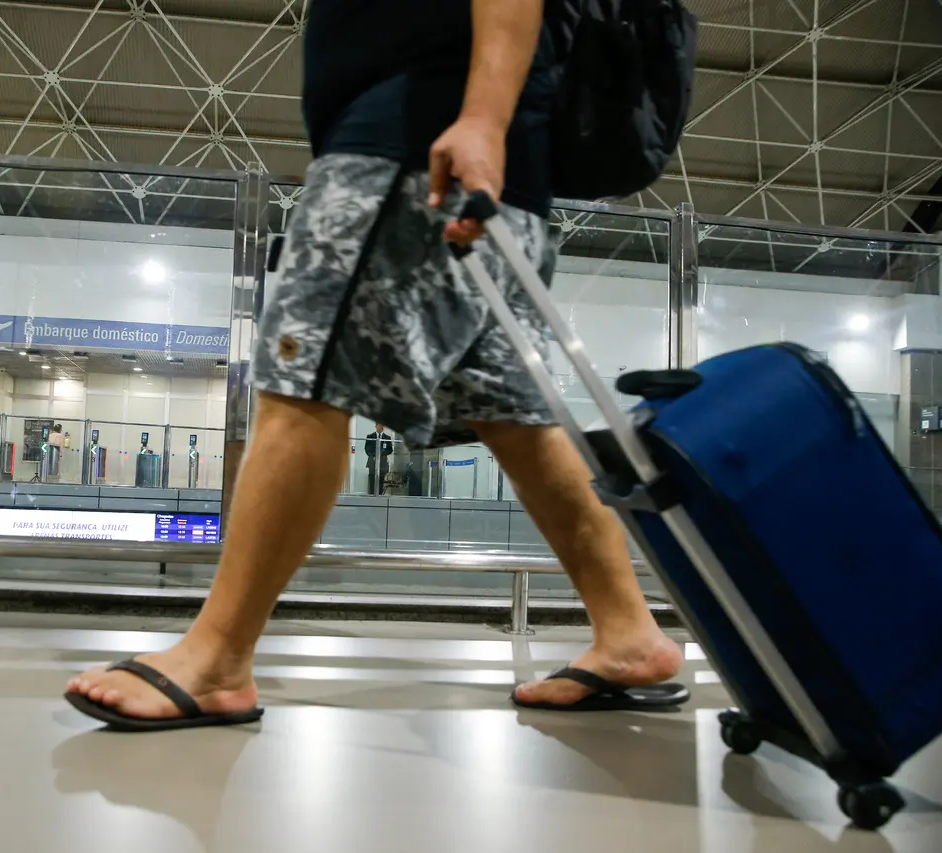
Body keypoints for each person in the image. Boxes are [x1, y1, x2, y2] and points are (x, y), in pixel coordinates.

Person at [66, 0, 686, 729]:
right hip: (489, 161)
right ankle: (629, 632)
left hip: (417, 144)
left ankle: (216, 657)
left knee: (305, 378)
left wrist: (481, 116)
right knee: (515, 415)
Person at [364, 424, 393, 495]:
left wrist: (382, 454)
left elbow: (390, 450)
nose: (381, 427)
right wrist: (374, 455)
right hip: (372, 461)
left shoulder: (387, 437)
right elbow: (367, 448)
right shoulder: (370, 436)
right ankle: (371, 495)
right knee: (372, 478)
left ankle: (380, 495)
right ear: (376, 426)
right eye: (380, 425)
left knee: (381, 479)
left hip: (382, 462)